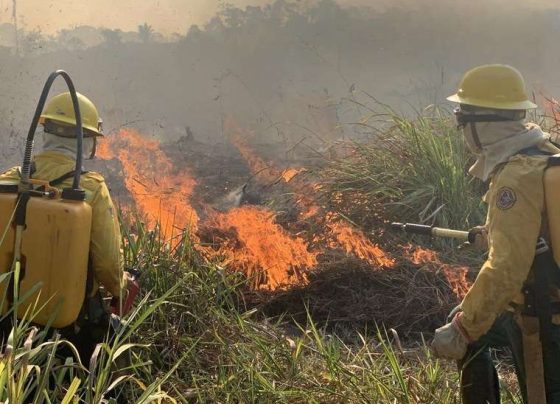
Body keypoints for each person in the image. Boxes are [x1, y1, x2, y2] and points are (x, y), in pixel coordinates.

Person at [431, 64, 560, 403]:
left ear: (482, 124)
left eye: (462, 119)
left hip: (543, 315)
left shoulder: (516, 178)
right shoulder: (544, 154)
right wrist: (492, 232)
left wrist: (463, 328)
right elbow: (538, 232)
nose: (461, 130)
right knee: (470, 330)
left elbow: (507, 267)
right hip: (542, 299)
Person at [0, 91, 130, 364]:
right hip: (67, 325)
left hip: (7, 316)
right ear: (86, 140)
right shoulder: (91, 188)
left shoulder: (10, 180)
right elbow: (108, 263)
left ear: (45, 130)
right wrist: (122, 288)